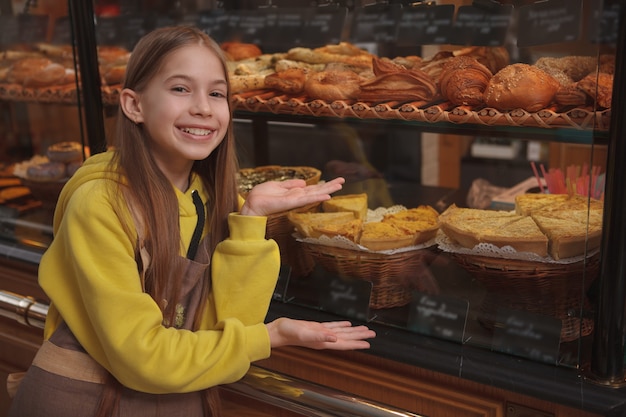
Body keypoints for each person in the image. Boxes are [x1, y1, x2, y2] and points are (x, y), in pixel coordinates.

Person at [8, 25, 375, 417]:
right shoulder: (101, 203)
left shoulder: (211, 196)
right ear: (133, 105)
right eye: (180, 89)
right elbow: (143, 359)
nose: (203, 107)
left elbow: (228, 325)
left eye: (216, 93)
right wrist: (272, 335)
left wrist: (249, 220)